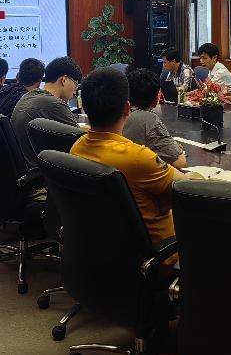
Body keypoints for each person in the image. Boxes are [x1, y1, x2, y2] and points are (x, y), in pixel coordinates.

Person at [70, 68, 200, 251]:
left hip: (102, 248)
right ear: (127, 108)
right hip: (159, 252)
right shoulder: (139, 158)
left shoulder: (77, 148)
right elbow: (188, 192)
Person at [10, 56, 82, 168]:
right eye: (75, 85)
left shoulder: (28, 96)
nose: (74, 93)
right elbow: (82, 143)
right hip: (39, 172)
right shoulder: (54, 104)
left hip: (22, 168)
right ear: (64, 80)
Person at [123, 68, 186, 168]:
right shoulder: (149, 119)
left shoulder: (116, 113)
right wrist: (174, 147)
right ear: (156, 99)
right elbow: (180, 162)